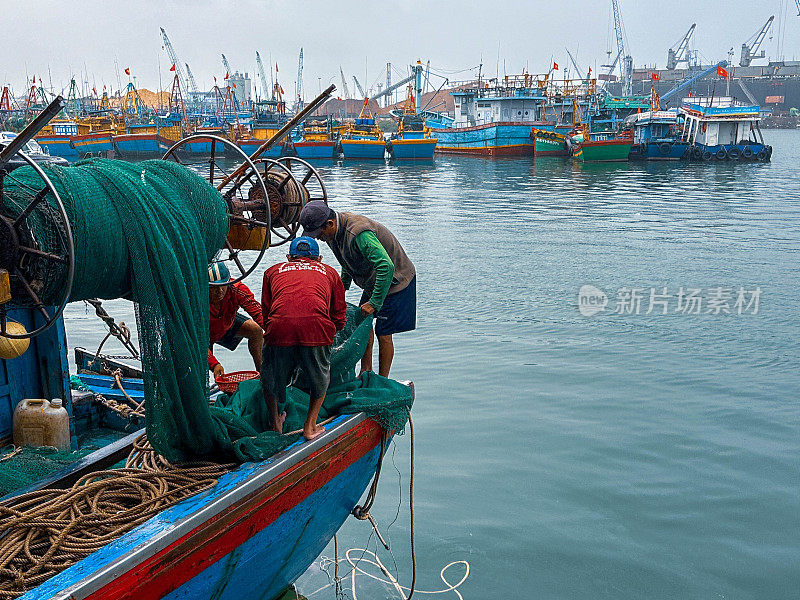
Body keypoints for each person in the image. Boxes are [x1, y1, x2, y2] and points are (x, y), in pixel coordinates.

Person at [299, 201, 416, 378]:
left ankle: (383, 379)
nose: (318, 238)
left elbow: (386, 266)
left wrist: (375, 302)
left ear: (330, 223)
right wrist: (340, 290)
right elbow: (347, 261)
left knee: (383, 333)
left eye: (319, 233)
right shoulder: (333, 234)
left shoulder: (358, 233)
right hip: (373, 280)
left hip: (395, 281)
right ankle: (365, 371)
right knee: (363, 324)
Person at [260, 236, 347, 440]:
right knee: (320, 377)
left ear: (289, 258)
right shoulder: (331, 272)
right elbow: (339, 314)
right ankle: (310, 426)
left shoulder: (272, 271)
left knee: (269, 375)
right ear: (319, 259)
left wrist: (276, 333)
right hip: (316, 329)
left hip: (279, 328)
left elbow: (266, 310)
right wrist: (329, 333)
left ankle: (275, 423)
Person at [208, 262, 265, 379]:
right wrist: (214, 364)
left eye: (223, 285)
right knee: (204, 368)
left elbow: (259, 313)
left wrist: (279, 337)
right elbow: (197, 341)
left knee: (256, 330)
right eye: (213, 287)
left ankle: (262, 375)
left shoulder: (236, 289)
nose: (219, 291)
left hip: (225, 323)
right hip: (205, 334)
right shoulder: (197, 299)